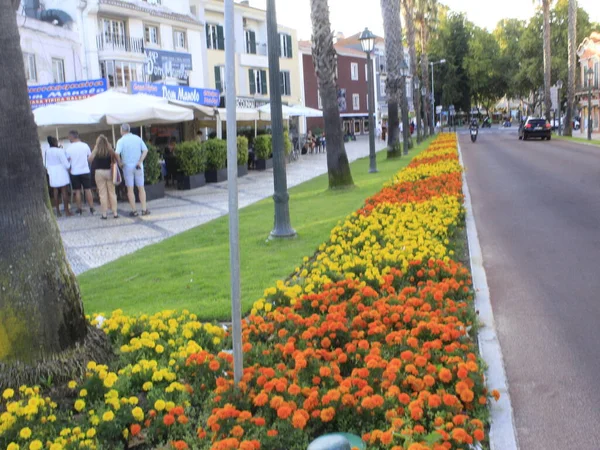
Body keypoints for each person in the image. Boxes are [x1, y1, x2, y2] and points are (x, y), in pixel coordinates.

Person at [115, 123, 149, 217]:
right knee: (141, 188)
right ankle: (144, 209)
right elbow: (145, 150)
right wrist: (140, 160)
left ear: (122, 130)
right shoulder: (137, 138)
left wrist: (120, 162)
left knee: (130, 189)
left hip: (127, 166)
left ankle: (134, 211)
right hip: (138, 165)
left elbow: (117, 153)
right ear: (129, 129)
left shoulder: (121, 141)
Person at [88, 135, 119, 220]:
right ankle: (115, 213)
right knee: (112, 193)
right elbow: (115, 158)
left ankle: (104, 214)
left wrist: (94, 149)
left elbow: (90, 159)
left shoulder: (96, 149)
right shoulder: (109, 149)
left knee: (102, 194)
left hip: (99, 172)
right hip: (109, 171)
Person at [66, 130, 95, 215]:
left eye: (69, 137)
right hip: (85, 170)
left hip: (74, 172)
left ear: (72, 137)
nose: (68, 138)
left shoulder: (69, 148)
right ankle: (91, 208)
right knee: (88, 190)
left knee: (77, 191)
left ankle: (79, 209)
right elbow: (90, 157)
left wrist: (69, 169)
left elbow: (67, 161)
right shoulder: (85, 146)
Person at [44, 136, 72, 217]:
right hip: (61, 171)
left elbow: (46, 164)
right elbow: (65, 163)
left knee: (55, 192)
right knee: (64, 192)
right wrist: (69, 165)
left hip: (52, 172)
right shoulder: (60, 151)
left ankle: (58, 212)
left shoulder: (47, 151)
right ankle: (67, 211)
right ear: (55, 142)